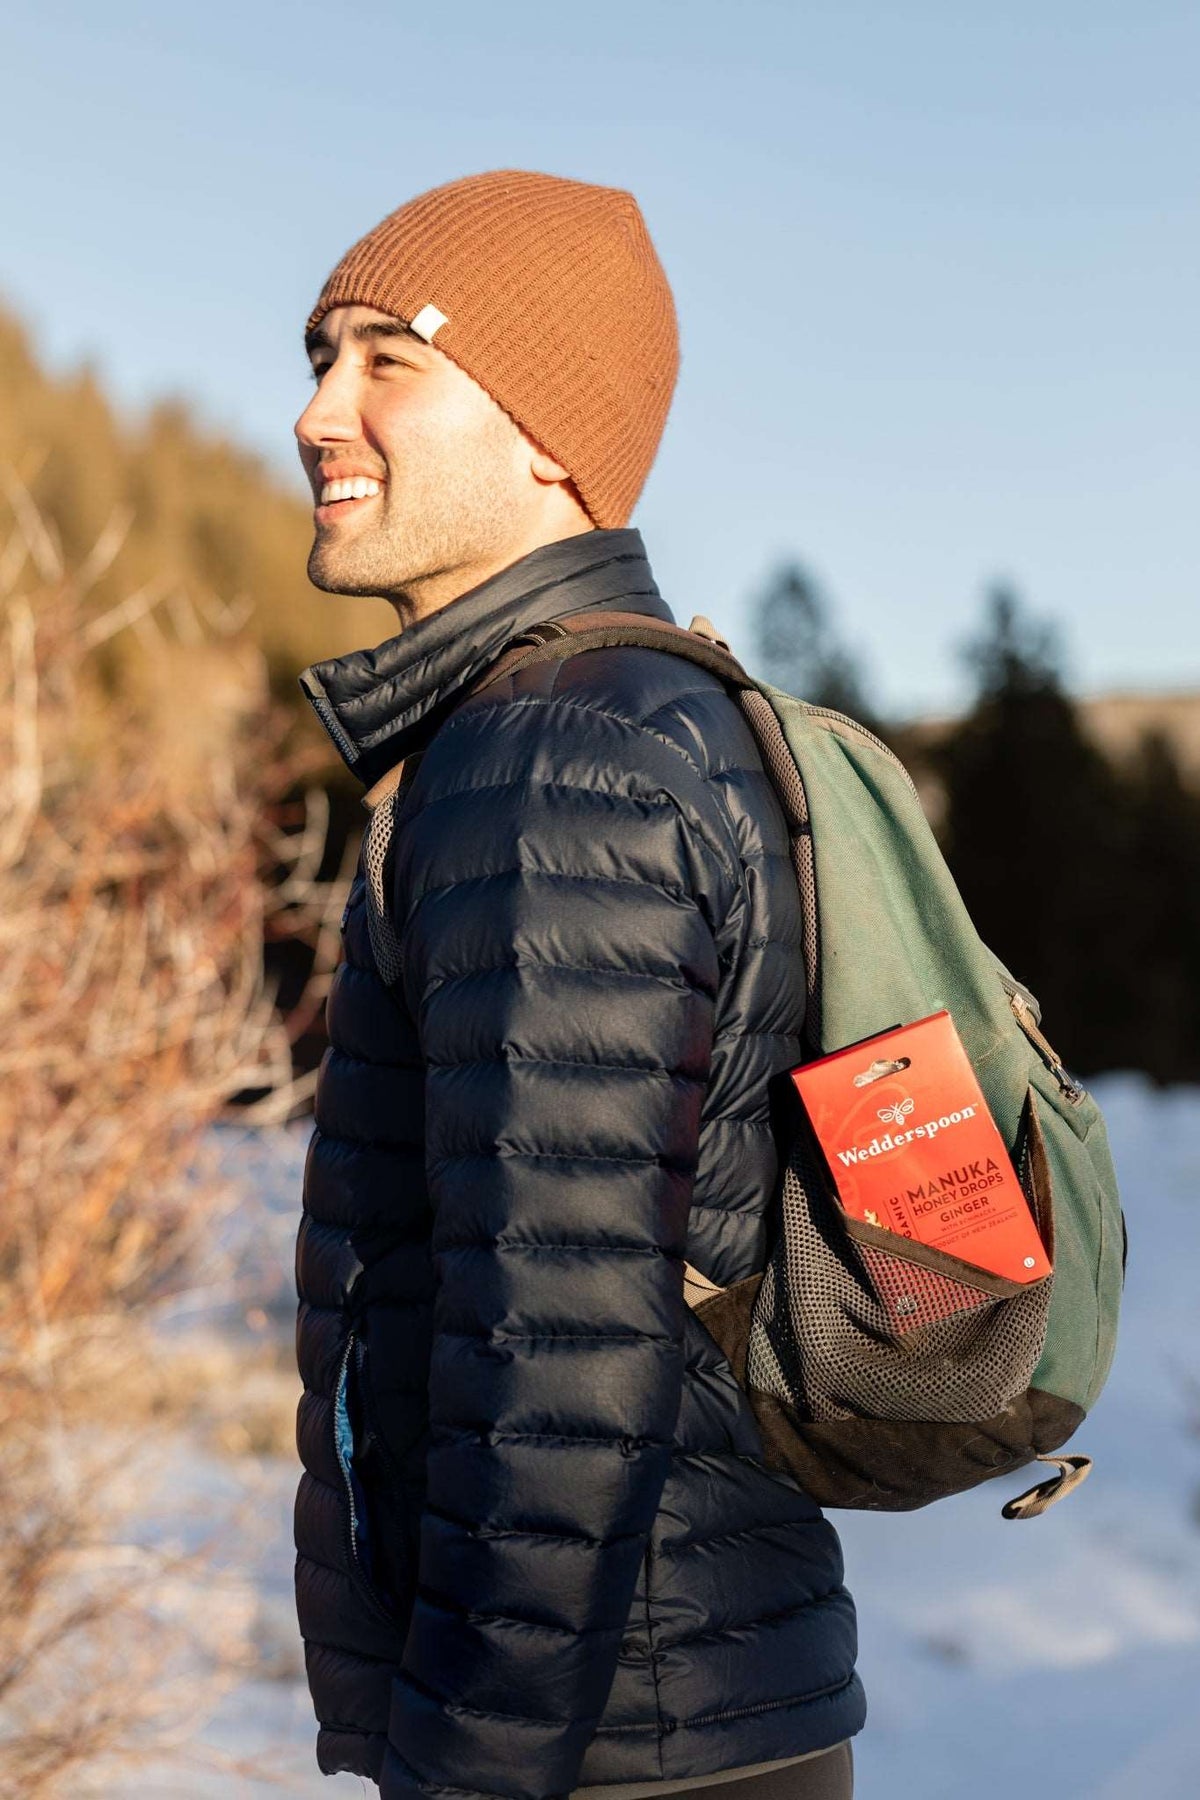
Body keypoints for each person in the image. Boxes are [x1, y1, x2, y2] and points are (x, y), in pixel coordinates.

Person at [292, 169, 865, 1800]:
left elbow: (561, 1354)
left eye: (390, 359)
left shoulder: (546, 764)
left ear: (551, 432)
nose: (319, 414)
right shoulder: (628, 715)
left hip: (602, 1739)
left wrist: (471, 1761)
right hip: (685, 1700)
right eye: (320, 357)